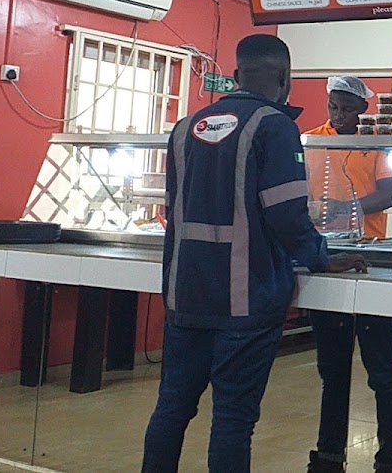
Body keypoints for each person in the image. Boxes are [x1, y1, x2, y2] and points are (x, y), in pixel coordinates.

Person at [142, 34, 366, 473]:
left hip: (186, 294)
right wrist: (321, 257)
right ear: (284, 77)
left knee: (172, 407)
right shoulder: (274, 125)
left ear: (235, 74)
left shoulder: (187, 126)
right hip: (245, 298)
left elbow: (173, 207)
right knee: (233, 418)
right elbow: (287, 214)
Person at [303, 76, 392, 473]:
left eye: (348, 109)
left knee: (383, 372)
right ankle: (329, 456)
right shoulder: (312, 140)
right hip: (327, 258)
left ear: (364, 109)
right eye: (334, 107)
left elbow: (390, 193)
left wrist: (349, 208)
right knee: (333, 371)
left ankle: (390, 460)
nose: (339, 115)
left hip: (369, 258)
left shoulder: (379, 142)